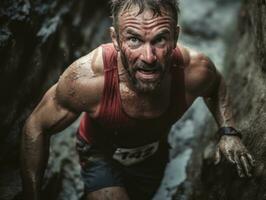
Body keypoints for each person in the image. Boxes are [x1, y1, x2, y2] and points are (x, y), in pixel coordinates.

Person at [21, 0, 255, 199]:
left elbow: (216, 85)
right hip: (98, 152)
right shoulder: (87, 79)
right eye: (134, 39)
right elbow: (36, 127)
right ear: (115, 39)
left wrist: (228, 132)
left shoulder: (194, 70)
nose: (149, 57)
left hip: (153, 154)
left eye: (160, 40)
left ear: (175, 36)